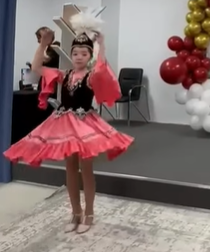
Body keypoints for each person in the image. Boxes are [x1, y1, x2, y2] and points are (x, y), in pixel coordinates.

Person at [4, 27, 134, 234]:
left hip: (85, 125)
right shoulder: (63, 75)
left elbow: (102, 69)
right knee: (70, 168)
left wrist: (101, 45)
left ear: (89, 56)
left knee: (86, 169)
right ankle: (75, 212)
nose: (79, 57)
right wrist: (43, 44)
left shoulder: (91, 76)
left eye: (84, 53)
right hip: (64, 124)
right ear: (70, 55)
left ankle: (89, 213)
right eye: (75, 53)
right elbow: (37, 67)